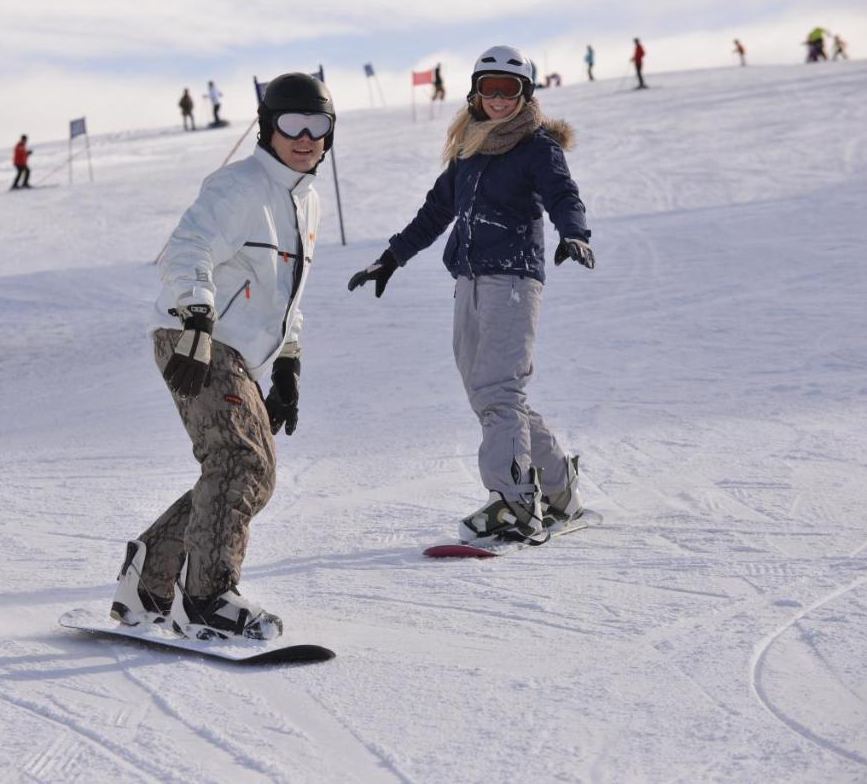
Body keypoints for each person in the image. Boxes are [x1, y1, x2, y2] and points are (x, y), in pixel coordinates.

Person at [110, 72, 335, 641]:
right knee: (240, 461)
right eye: (292, 124)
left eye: (319, 126)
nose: (306, 138)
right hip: (195, 338)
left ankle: (150, 581)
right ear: (268, 127)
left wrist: (288, 361)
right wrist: (198, 314)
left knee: (250, 475)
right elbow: (188, 248)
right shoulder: (239, 187)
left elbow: (285, 295)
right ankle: (206, 598)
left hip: (238, 348)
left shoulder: (307, 202)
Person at [347, 45, 593, 547]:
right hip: (470, 280)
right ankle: (560, 488)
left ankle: (516, 503)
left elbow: (563, 195)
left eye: (510, 90)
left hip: (513, 280)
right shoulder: (469, 152)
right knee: (490, 393)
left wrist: (576, 232)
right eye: (490, 89)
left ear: (526, 95)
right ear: (475, 93)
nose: (500, 99)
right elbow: (435, 212)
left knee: (499, 391)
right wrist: (391, 258)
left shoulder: (536, 147)